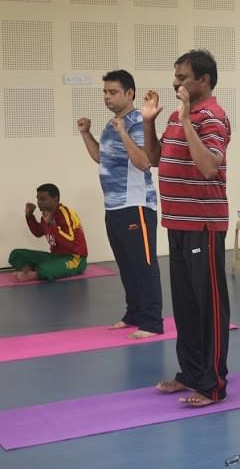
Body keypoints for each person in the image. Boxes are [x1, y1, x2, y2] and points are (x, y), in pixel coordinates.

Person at [142, 50, 231, 408]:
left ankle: (213, 384)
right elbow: (155, 160)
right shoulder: (182, 117)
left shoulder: (211, 116)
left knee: (208, 307)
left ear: (204, 80)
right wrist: (150, 121)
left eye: (183, 77)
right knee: (186, 305)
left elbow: (209, 165)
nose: (176, 82)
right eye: (175, 75)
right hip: (176, 221)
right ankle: (191, 373)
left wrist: (186, 119)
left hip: (204, 224)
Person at [78, 70, 163, 339]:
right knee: (126, 265)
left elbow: (144, 162)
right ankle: (134, 314)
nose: (107, 97)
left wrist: (124, 133)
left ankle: (151, 321)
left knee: (144, 265)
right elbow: (100, 158)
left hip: (136, 204)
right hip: (113, 207)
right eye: (104, 92)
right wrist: (86, 133)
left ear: (129, 93)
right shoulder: (111, 124)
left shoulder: (138, 122)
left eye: (112, 92)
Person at [8, 183, 88, 282]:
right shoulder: (46, 215)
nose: (39, 202)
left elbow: (70, 243)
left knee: (45, 269)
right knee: (16, 254)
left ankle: (35, 274)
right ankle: (27, 270)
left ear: (55, 199)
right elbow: (38, 232)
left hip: (75, 259)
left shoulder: (65, 213)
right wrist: (29, 216)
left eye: (43, 199)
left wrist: (51, 224)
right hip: (55, 257)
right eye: (38, 198)